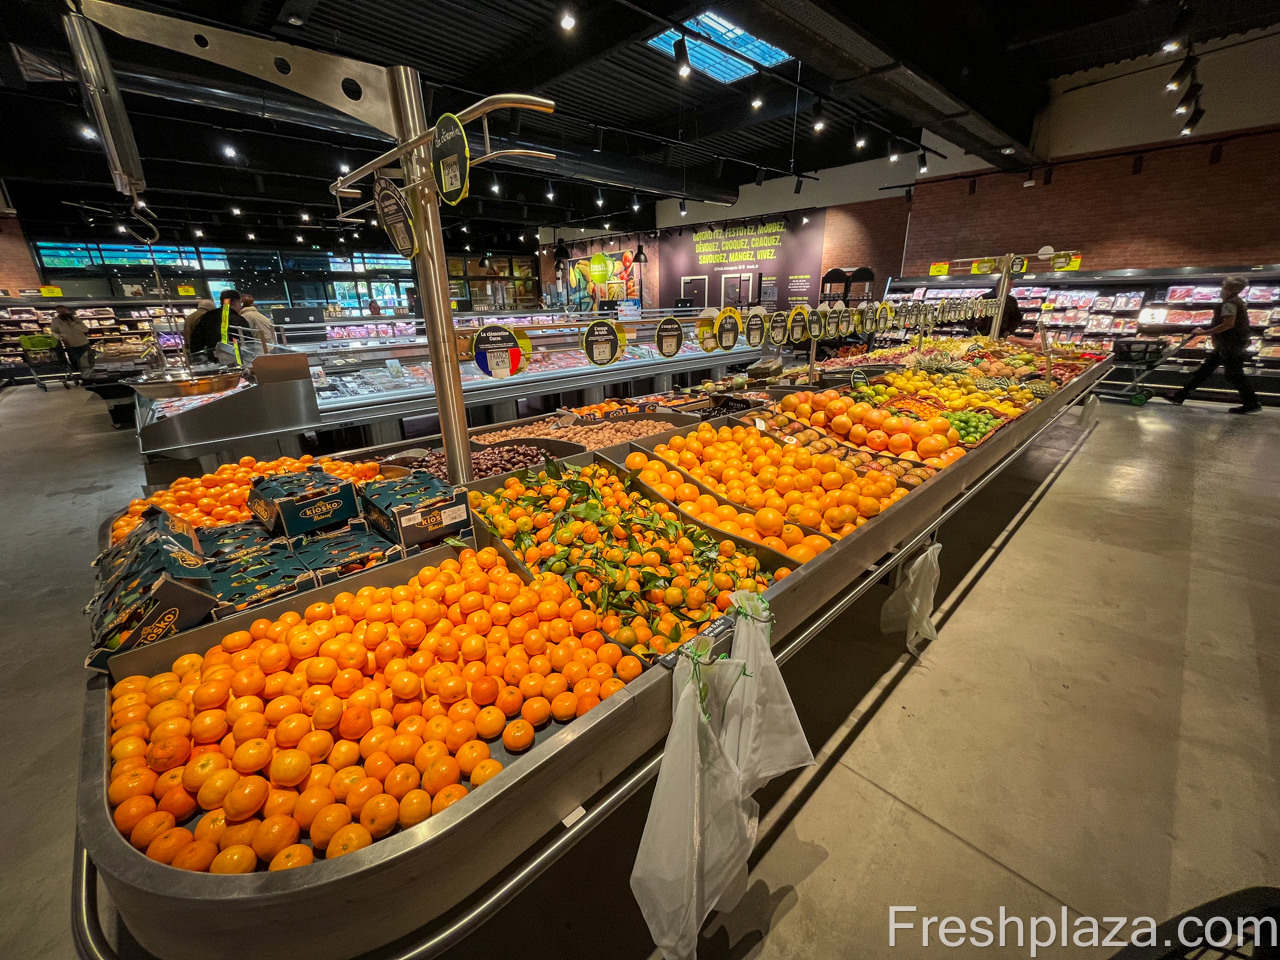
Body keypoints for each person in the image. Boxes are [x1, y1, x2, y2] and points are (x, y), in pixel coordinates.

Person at [1164, 275, 1261, 414]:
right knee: (1205, 371)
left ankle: (1252, 403)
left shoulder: (1230, 304)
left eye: (1224, 286)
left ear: (1229, 289)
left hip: (1230, 345)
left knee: (1234, 374)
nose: (1221, 289)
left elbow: (1228, 324)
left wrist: (1205, 332)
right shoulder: (1237, 302)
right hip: (1229, 344)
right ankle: (1180, 395)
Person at [189, 289, 246, 364]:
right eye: (240, 303)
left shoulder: (207, 317)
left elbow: (195, 342)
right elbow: (247, 344)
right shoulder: (238, 319)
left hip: (212, 362)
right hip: (236, 361)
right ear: (234, 302)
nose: (240, 307)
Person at [50, 305, 93, 373]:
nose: (62, 313)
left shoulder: (76, 319)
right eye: (59, 311)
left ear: (68, 310)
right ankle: (77, 375)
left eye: (63, 311)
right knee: (74, 363)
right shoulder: (55, 321)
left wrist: (72, 324)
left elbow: (85, 329)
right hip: (70, 345)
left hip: (83, 344)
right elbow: (53, 331)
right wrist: (60, 337)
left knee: (86, 362)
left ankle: (87, 376)